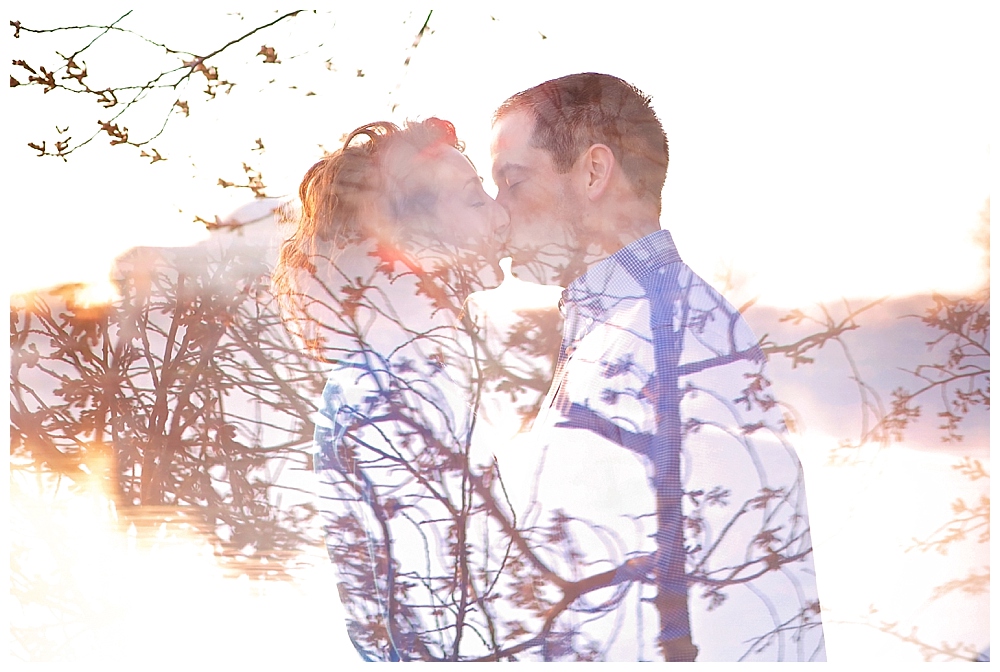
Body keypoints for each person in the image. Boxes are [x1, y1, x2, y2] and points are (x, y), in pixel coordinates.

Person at [487, 73, 827, 661]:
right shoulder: (626, 322)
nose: (498, 215)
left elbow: (725, 601)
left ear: (594, 173)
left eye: (514, 183)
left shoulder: (661, 334)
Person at [272, 119, 517, 661]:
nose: (503, 214)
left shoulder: (410, 366)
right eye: (475, 200)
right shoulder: (396, 392)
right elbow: (445, 625)